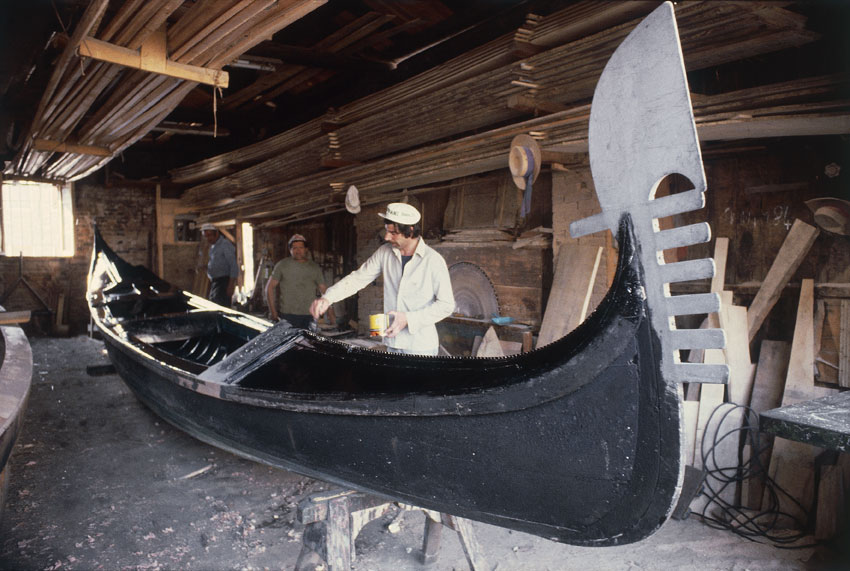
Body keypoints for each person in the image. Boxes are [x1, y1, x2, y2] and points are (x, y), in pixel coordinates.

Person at [310, 203, 454, 356]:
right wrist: (328, 298)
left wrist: (409, 319)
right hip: (391, 342)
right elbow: (358, 278)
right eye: (387, 231)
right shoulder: (384, 252)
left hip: (420, 346)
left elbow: (446, 305)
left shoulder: (433, 260)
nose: (387, 237)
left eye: (393, 233)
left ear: (410, 230)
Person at [266, 234, 328, 329]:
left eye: (301, 248)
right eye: (294, 248)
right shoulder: (282, 265)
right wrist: (273, 312)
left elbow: (324, 290)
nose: (298, 251)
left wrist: (332, 316)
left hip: (309, 315)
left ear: (306, 249)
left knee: (307, 343)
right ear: (290, 250)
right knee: (288, 343)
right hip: (287, 315)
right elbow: (269, 288)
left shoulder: (314, 267)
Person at [201, 223, 238, 307]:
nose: (208, 238)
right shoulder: (213, 247)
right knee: (214, 307)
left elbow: (233, 265)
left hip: (224, 283)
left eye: (209, 235)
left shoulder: (225, 245)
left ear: (216, 233)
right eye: (205, 236)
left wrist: (231, 285)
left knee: (221, 309)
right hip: (215, 283)